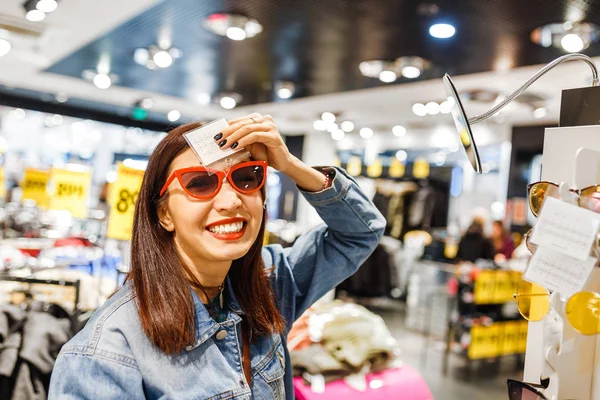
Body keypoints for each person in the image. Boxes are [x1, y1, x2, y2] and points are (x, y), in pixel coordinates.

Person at [48, 113, 385, 399]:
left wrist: (290, 164)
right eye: (199, 183)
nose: (230, 201)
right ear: (163, 214)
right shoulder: (108, 351)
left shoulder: (269, 281)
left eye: (246, 178)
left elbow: (360, 232)